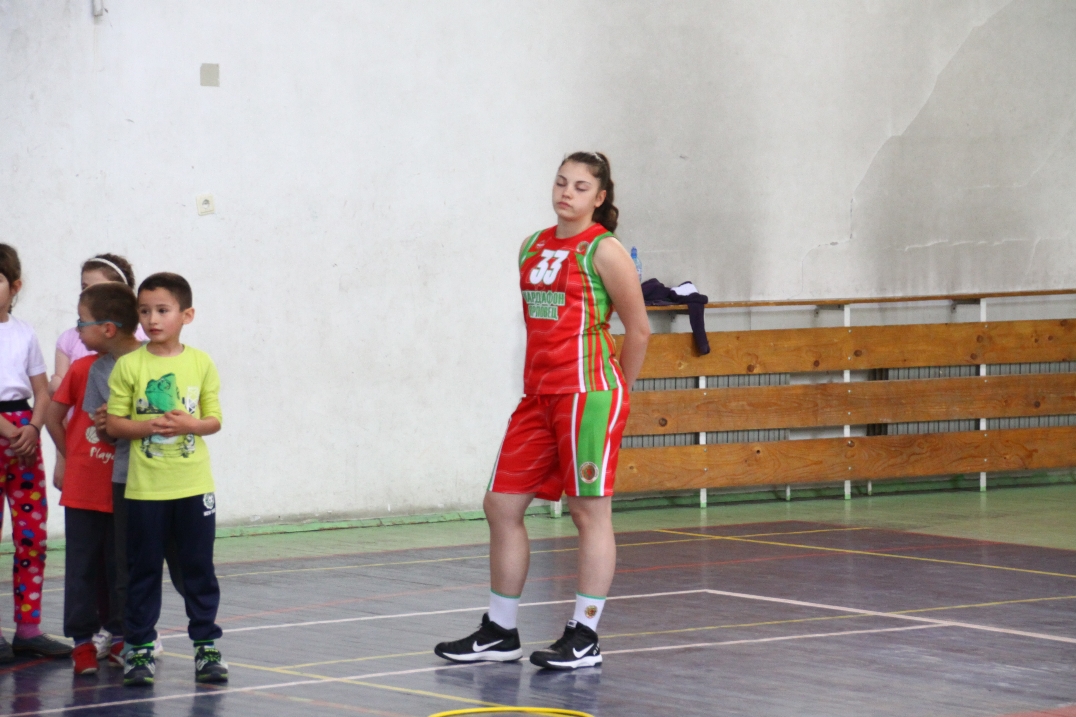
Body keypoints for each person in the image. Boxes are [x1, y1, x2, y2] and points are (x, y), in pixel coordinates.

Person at [434, 152, 650, 670]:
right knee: (501, 505)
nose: (566, 193)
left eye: (580, 186)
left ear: (599, 197)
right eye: (561, 182)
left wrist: (617, 391)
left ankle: (585, 635)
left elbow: (639, 330)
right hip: (538, 395)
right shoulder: (531, 246)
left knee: (588, 511)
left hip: (587, 394)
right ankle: (500, 630)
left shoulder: (604, 249)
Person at [104, 272, 227, 686]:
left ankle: (206, 647)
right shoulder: (129, 365)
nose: (152, 319)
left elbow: (214, 420)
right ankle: (139, 649)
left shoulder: (201, 362)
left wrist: (190, 424)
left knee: (198, 568)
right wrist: (149, 427)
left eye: (162, 310)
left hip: (193, 487)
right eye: (144, 311)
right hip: (145, 490)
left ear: (186, 315)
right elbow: (115, 424)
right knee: (142, 570)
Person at [44, 283, 132, 674]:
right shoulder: (82, 369)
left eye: (82, 322)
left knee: (120, 566)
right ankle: (82, 642)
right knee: (81, 567)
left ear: (108, 328)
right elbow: (52, 416)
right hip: (83, 490)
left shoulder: (141, 367)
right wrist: (72, 455)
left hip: (125, 488)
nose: (76, 330)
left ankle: (121, 636)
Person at [0, 244, 72, 662]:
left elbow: (42, 391)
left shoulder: (24, 333)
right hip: (8, 431)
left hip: (23, 440)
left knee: (31, 535)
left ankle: (28, 629)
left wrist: (32, 427)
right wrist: (11, 429)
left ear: (15, 287)